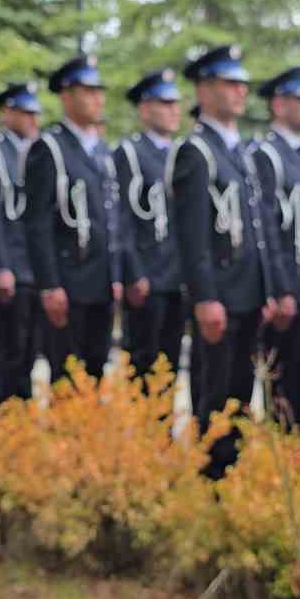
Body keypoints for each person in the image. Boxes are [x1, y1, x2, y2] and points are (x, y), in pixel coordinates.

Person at [170, 45, 294, 478]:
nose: (240, 91)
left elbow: (261, 230)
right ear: (204, 89)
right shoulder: (196, 151)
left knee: (241, 396)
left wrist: (274, 289)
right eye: (229, 82)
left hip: (248, 295)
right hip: (220, 297)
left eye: (243, 83)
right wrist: (205, 298)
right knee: (215, 396)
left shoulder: (240, 152)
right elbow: (192, 236)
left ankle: (232, 475)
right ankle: (210, 482)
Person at [24, 55, 143, 382]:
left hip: (101, 282)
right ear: (66, 95)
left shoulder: (102, 151)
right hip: (68, 281)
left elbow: (114, 218)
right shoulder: (49, 148)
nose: (97, 98)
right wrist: (49, 285)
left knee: (95, 371)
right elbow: (37, 224)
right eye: (87, 91)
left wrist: (120, 274)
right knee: (67, 376)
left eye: (98, 91)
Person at [248, 66, 300, 433]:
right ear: (279, 105)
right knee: (281, 387)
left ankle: (296, 453)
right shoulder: (267, 155)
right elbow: (267, 228)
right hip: (288, 292)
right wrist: (280, 288)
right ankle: (279, 457)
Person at [114, 70, 186, 380]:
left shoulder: (182, 153)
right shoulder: (130, 153)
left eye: (175, 103)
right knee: (143, 361)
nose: (173, 110)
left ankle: (165, 427)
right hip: (147, 276)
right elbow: (121, 217)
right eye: (164, 103)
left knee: (169, 364)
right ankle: (144, 428)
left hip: (178, 275)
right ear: (144, 109)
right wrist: (133, 272)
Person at [0, 82, 42, 401]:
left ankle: (24, 413)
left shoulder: (36, 151)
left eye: (35, 112)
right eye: (25, 112)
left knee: (31, 349)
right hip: (12, 267)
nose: (33, 119)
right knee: (10, 349)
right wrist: (0, 265)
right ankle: (10, 416)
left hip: (35, 267)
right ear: (7, 113)